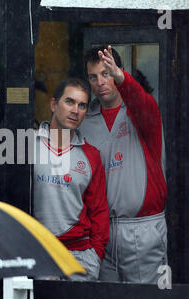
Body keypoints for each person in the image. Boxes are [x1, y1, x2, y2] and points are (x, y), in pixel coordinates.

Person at [79, 45, 168, 283]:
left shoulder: (142, 113)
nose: (100, 82)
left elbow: (142, 102)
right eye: (93, 77)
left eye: (106, 73)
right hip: (101, 233)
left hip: (142, 229)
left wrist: (122, 79)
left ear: (119, 71)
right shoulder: (85, 122)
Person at [33, 78, 109, 281]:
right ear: (53, 104)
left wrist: (96, 255)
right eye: (69, 102)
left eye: (82, 105)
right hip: (38, 251)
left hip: (80, 256)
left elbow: (99, 211)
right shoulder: (28, 145)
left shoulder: (91, 155)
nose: (75, 110)